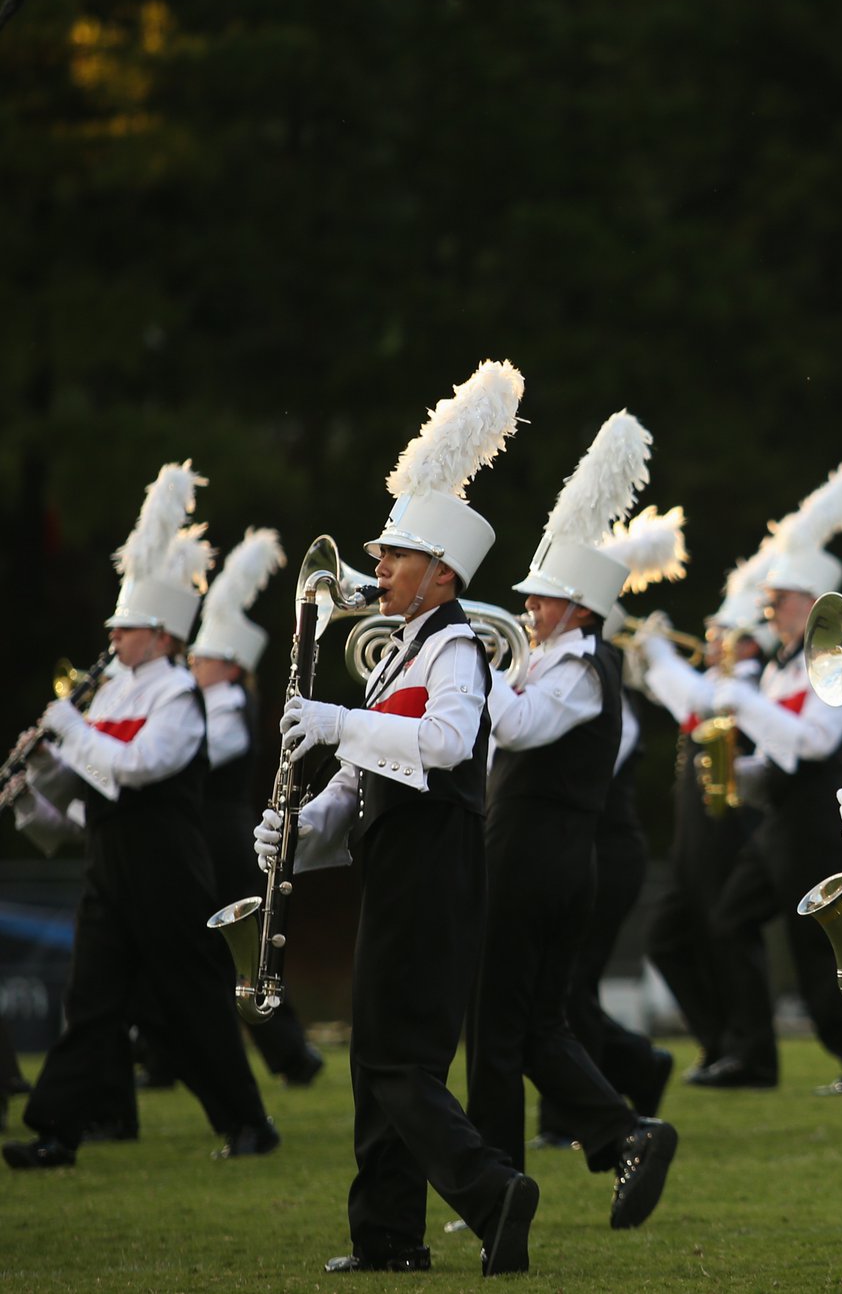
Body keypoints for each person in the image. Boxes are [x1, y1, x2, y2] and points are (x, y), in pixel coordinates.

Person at [252, 360, 538, 1276]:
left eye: (392, 559)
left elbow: (450, 745)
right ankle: (386, 1236)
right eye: (378, 557)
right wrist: (301, 832)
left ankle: (493, 1190)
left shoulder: (454, 646)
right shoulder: (397, 655)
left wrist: (334, 720)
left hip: (436, 869)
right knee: (377, 1058)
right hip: (399, 865)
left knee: (396, 1060)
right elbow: (363, 775)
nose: (375, 570)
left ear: (441, 573)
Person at [5, 462, 280, 1171]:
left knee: (191, 1003)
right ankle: (58, 1130)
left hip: (166, 868)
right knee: (89, 1000)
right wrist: (33, 798)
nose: (113, 636)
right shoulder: (111, 696)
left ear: (161, 634)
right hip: (111, 866)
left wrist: (67, 729)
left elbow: (136, 770)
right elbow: (89, 798)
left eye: (126, 627)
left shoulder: (178, 699)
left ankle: (249, 1122)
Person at [464, 411, 678, 1228]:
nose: (524, 606)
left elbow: (514, 729)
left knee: (496, 1026)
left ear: (578, 609)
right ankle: (624, 1136)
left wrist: (471, 659)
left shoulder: (582, 668)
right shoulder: (551, 660)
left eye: (541, 599)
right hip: (539, 855)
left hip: (535, 860)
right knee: (537, 1028)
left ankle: (489, 1180)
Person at [707, 463, 842, 1095]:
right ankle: (754, 1056)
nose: (768, 609)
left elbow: (817, 742)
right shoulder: (780, 669)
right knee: (731, 921)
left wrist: (739, 700)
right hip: (781, 820)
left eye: (779, 600)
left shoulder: (836, 663)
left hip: (819, 819)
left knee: (817, 946)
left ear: (812, 605)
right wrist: (740, 769)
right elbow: (779, 747)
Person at [188, 528, 327, 1088]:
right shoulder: (211, 699)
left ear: (226, 662)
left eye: (202, 657)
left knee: (243, 951)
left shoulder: (227, 704)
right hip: (209, 834)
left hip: (220, 837)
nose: (192, 664)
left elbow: (198, 759)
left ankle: (291, 1051)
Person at [634, 568, 777, 1085]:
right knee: (666, 939)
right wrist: (648, 665)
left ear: (746, 645)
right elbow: (687, 700)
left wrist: (659, 657)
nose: (712, 641)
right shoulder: (717, 682)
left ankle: (751, 1053)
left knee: (727, 939)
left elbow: (699, 703)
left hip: (727, 830)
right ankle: (719, 1041)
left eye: (723, 635)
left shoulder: (748, 684)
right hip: (694, 835)